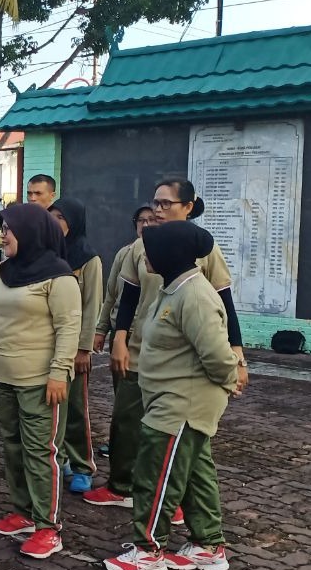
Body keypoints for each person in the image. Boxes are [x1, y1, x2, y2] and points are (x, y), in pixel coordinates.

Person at [90, 178, 248, 511]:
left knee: (177, 433)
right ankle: (121, 485)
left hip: (183, 358)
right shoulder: (139, 246)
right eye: (156, 203)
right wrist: (118, 337)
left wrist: (237, 353)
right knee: (127, 420)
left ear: (188, 207)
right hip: (140, 350)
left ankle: (171, 498)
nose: (158, 210)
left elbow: (224, 300)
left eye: (166, 204)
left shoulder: (204, 248)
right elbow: (127, 296)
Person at [103, 222, 239, 570]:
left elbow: (219, 356)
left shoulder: (194, 296)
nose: (143, 255)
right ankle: (209, 545)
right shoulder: (173, 289)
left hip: (182, 404)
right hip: (171, 399)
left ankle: (149, 549)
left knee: (156, 475)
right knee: (194, 473)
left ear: (170, 254)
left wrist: (229, 382)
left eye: (150, 248)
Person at [0, 203, 81, 560]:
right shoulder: (3, 272)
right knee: (12, 446)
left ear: (30, 232)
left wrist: (59, 372)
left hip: (41, 381)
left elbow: (68, 328)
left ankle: (49, 527)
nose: (3, 236)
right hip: (3, 377)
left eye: (9, 229)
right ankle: (24, 511)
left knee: (41, 452)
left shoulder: (59, 276)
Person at [48, 198, 103, 494]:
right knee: (53, 407)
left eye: (61, 217)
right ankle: (62, 458)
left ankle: (83, 465)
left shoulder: (88, 259)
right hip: (46, 345)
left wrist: (84, 349)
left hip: (73, 348)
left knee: (77, 409)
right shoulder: (44, 254)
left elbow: (92, 305)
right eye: (51, 216)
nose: (56, 222)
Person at [92, 205, 155, 460]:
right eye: (142, 220)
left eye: (152, 220)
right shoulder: (126, 253)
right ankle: (121, 443)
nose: (147, 224)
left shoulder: (167, 255)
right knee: (124, 397)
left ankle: (143, 445)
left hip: (151, 336)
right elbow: (112, 295)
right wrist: (101, 329)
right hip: (124, 333)